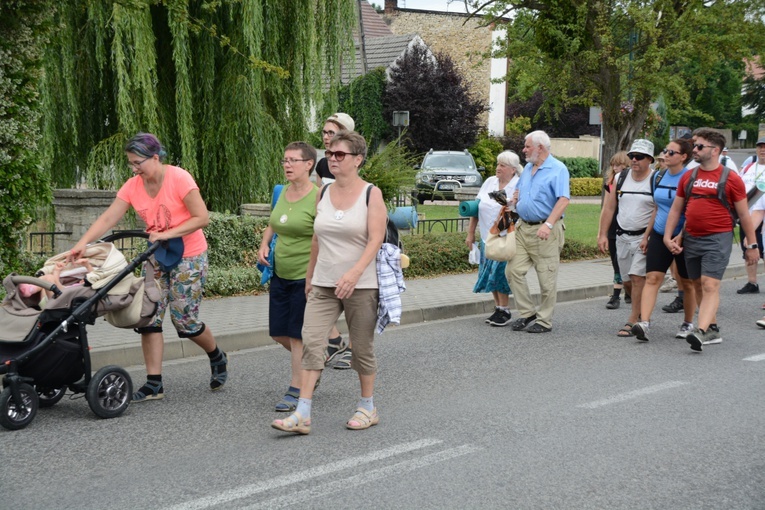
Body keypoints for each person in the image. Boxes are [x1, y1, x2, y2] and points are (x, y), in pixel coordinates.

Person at [69, 132, 227, 401]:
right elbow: (109, 217)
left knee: (185, 321)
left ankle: (216, 355)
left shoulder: (179, 178)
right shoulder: (133, 185)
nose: (134, 168)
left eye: (138, 162)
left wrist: (167, 233)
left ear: (155, 158)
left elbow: (202, 218)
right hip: (156, 256)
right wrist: (82, 243)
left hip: (189, 255)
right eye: (131, 163)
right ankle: (155, 383)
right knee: (148, 316)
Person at [272, 131, 386, 434]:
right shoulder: (323, 192)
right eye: (330, 154)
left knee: (361, 347)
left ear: (358, 159)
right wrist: (310, 275)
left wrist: (354, 273)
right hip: (323, 282)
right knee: (311, 340)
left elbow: (376, 238)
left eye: (340, 155)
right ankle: (303, 412)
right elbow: (316, 238)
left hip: (360, 284)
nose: (332, 159)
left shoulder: (370, 194)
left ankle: (367, 406)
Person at [664, 128, 759, 351]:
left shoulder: (731, 178)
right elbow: (677, 209)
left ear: (715, 150)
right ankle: (713, 328)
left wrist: (752, 245)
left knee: (709, 284)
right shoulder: (689, 175)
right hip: (692, 238)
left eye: (699, 146)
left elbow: (744, 214)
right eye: (694, 145)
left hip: (718, 238)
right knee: (696, 284)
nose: (694, 150)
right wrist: (668, 237)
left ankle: (701, 330)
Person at [257, 142, 318, 412]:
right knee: (278, 333)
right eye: (285, 160)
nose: (287, 165)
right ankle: (313, 361)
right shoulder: (282, 192)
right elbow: (274, 221)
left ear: (309, 164)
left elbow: (322, 236)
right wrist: (264, 243)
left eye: (294, 160)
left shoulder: (318, 196)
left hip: (305, 276)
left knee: (296, 336)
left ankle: (296, 389)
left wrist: (313, 276)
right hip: (280, 273)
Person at [630, 139, 697, 341]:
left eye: (671, 152)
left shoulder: (690, 178)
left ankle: (687, 323)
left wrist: (680, 236)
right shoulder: (658, 176)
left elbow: (692, 211)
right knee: (652, 278)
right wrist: (647, 235)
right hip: (660, 234)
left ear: (683, 156)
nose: (665, 155)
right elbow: (657, 207)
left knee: (686, 282)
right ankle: (645, 323)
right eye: (665, 151)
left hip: (683, 237)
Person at [505, 130, 570, 333]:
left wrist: (548, 224)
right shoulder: (528, 169)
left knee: (546, 279)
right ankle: (527, 313)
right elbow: (523, 191)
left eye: (527, 146)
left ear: (540, 148)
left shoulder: (558, 169)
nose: (524, 150)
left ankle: (544, 320)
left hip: (546, 230)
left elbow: (563, 199)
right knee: (513, 271)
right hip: (524, 228)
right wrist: (516, 199)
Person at [597, 139, 656, 337]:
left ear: (650, 159)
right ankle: (640, 311)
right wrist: (603, 234)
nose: (634, 160)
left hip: (643, 237)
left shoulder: (655, 180)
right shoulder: (620, 177)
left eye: (639, 157)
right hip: (621, 236)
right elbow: (609, 207)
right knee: (626, 280)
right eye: (632, 156)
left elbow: (658, 209)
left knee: (638, 277)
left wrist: (648, 236)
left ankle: (634, 320)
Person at [315, 112, 356, 369]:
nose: (327, 137)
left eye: (333, 132)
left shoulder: (355, 161)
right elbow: (320, 201)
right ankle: (333, 338)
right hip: (329, 236)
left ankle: (354, 346)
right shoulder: (321, 164)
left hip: (352, 235)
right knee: (320, 289)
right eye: (325, 132)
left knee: (352, 296)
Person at [465, 150, 522, 326]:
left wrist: (498, 230)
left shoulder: (518, 185)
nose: (498, 168)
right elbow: (477, 207)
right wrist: (470, 233)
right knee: (488, 273)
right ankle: (498, 307)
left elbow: (515, 212)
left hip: (504, 236)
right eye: (498, 164)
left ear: (513, 169)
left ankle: (505, 310)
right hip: (486, 238)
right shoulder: (490, 182)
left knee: (499, 273)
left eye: (502, 165)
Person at [598, 151, 632, 310]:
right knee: (616, 262)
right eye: (613, 165)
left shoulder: (634, 183)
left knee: (630, 263)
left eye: (619, 164)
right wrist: (601, 233)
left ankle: (630, 289)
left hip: (629, 226)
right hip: (613, 227)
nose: (616, 168)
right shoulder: (610, 183)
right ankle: (616, 294)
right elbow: (606, 208)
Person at [735, 138, 765, 295]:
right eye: (760, 146)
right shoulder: (748, 167)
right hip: (746, 215)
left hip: (761, 216)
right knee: (748, 250)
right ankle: (752, 282)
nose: (763, 150)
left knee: (762, 250)